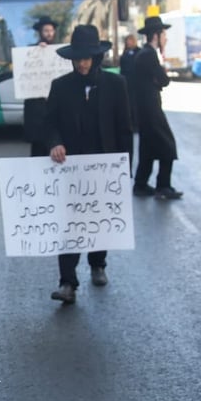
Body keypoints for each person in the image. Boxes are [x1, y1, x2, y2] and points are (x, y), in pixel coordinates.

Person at [44, 24, 133, 305]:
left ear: (96, 57)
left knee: (99, 219)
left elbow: (124, 129)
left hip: (104, 165)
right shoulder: (60, 86)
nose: (82, 63)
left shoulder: (116, 85)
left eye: (86, 58)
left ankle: (98, 263)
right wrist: (54, 143)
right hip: (70, 166)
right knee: (69, 223)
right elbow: (49, 123)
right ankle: (67, 282)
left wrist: (124, 168)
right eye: (77, 58)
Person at [129, 16, 182, 200]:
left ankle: (141, 184)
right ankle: (163, 185)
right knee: (168, 146)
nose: (165, 39)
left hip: (145, 108)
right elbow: (164, 80)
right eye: (163, 35)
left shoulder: (145, 54)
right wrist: (160, 77)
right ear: (155, 36)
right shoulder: (149, 54)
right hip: (150, 109)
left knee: (148, 148)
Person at [23, 15, 59, 158]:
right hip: (37, 108)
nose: (49, 33)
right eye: (46, 31)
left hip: (55, 105)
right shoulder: (30, 52)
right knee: (38, 148)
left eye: (51, 30)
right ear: (40, 33)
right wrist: (37, 51)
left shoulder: (60, 52)